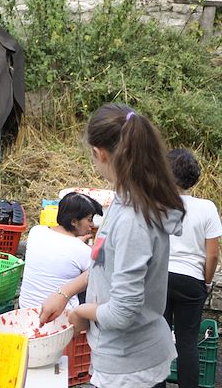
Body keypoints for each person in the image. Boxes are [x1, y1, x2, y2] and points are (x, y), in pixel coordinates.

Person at [39, 104, 185, 388]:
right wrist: (64, 292)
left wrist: (80, 312)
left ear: (99, 152)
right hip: (124, 357)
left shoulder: (133, 219)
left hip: (130, 367)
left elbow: (121, 312)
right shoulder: (125, 199)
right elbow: (106, 267)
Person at [155, 148, 221, 388]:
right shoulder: (207, 208)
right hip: (192, 281)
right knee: (187, 342)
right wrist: (206, 281)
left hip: (159, 278)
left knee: (157, 339)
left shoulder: (155, 204)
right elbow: (212, 254)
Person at [18, 192, 102, 310]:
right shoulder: (81, 250)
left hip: (25, 308)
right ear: (73, 222)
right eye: (89, 219)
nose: (92, 224)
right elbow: (99, 274)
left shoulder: (36, 232)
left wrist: (77, 241)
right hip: (58, 315)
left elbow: (61, 248)